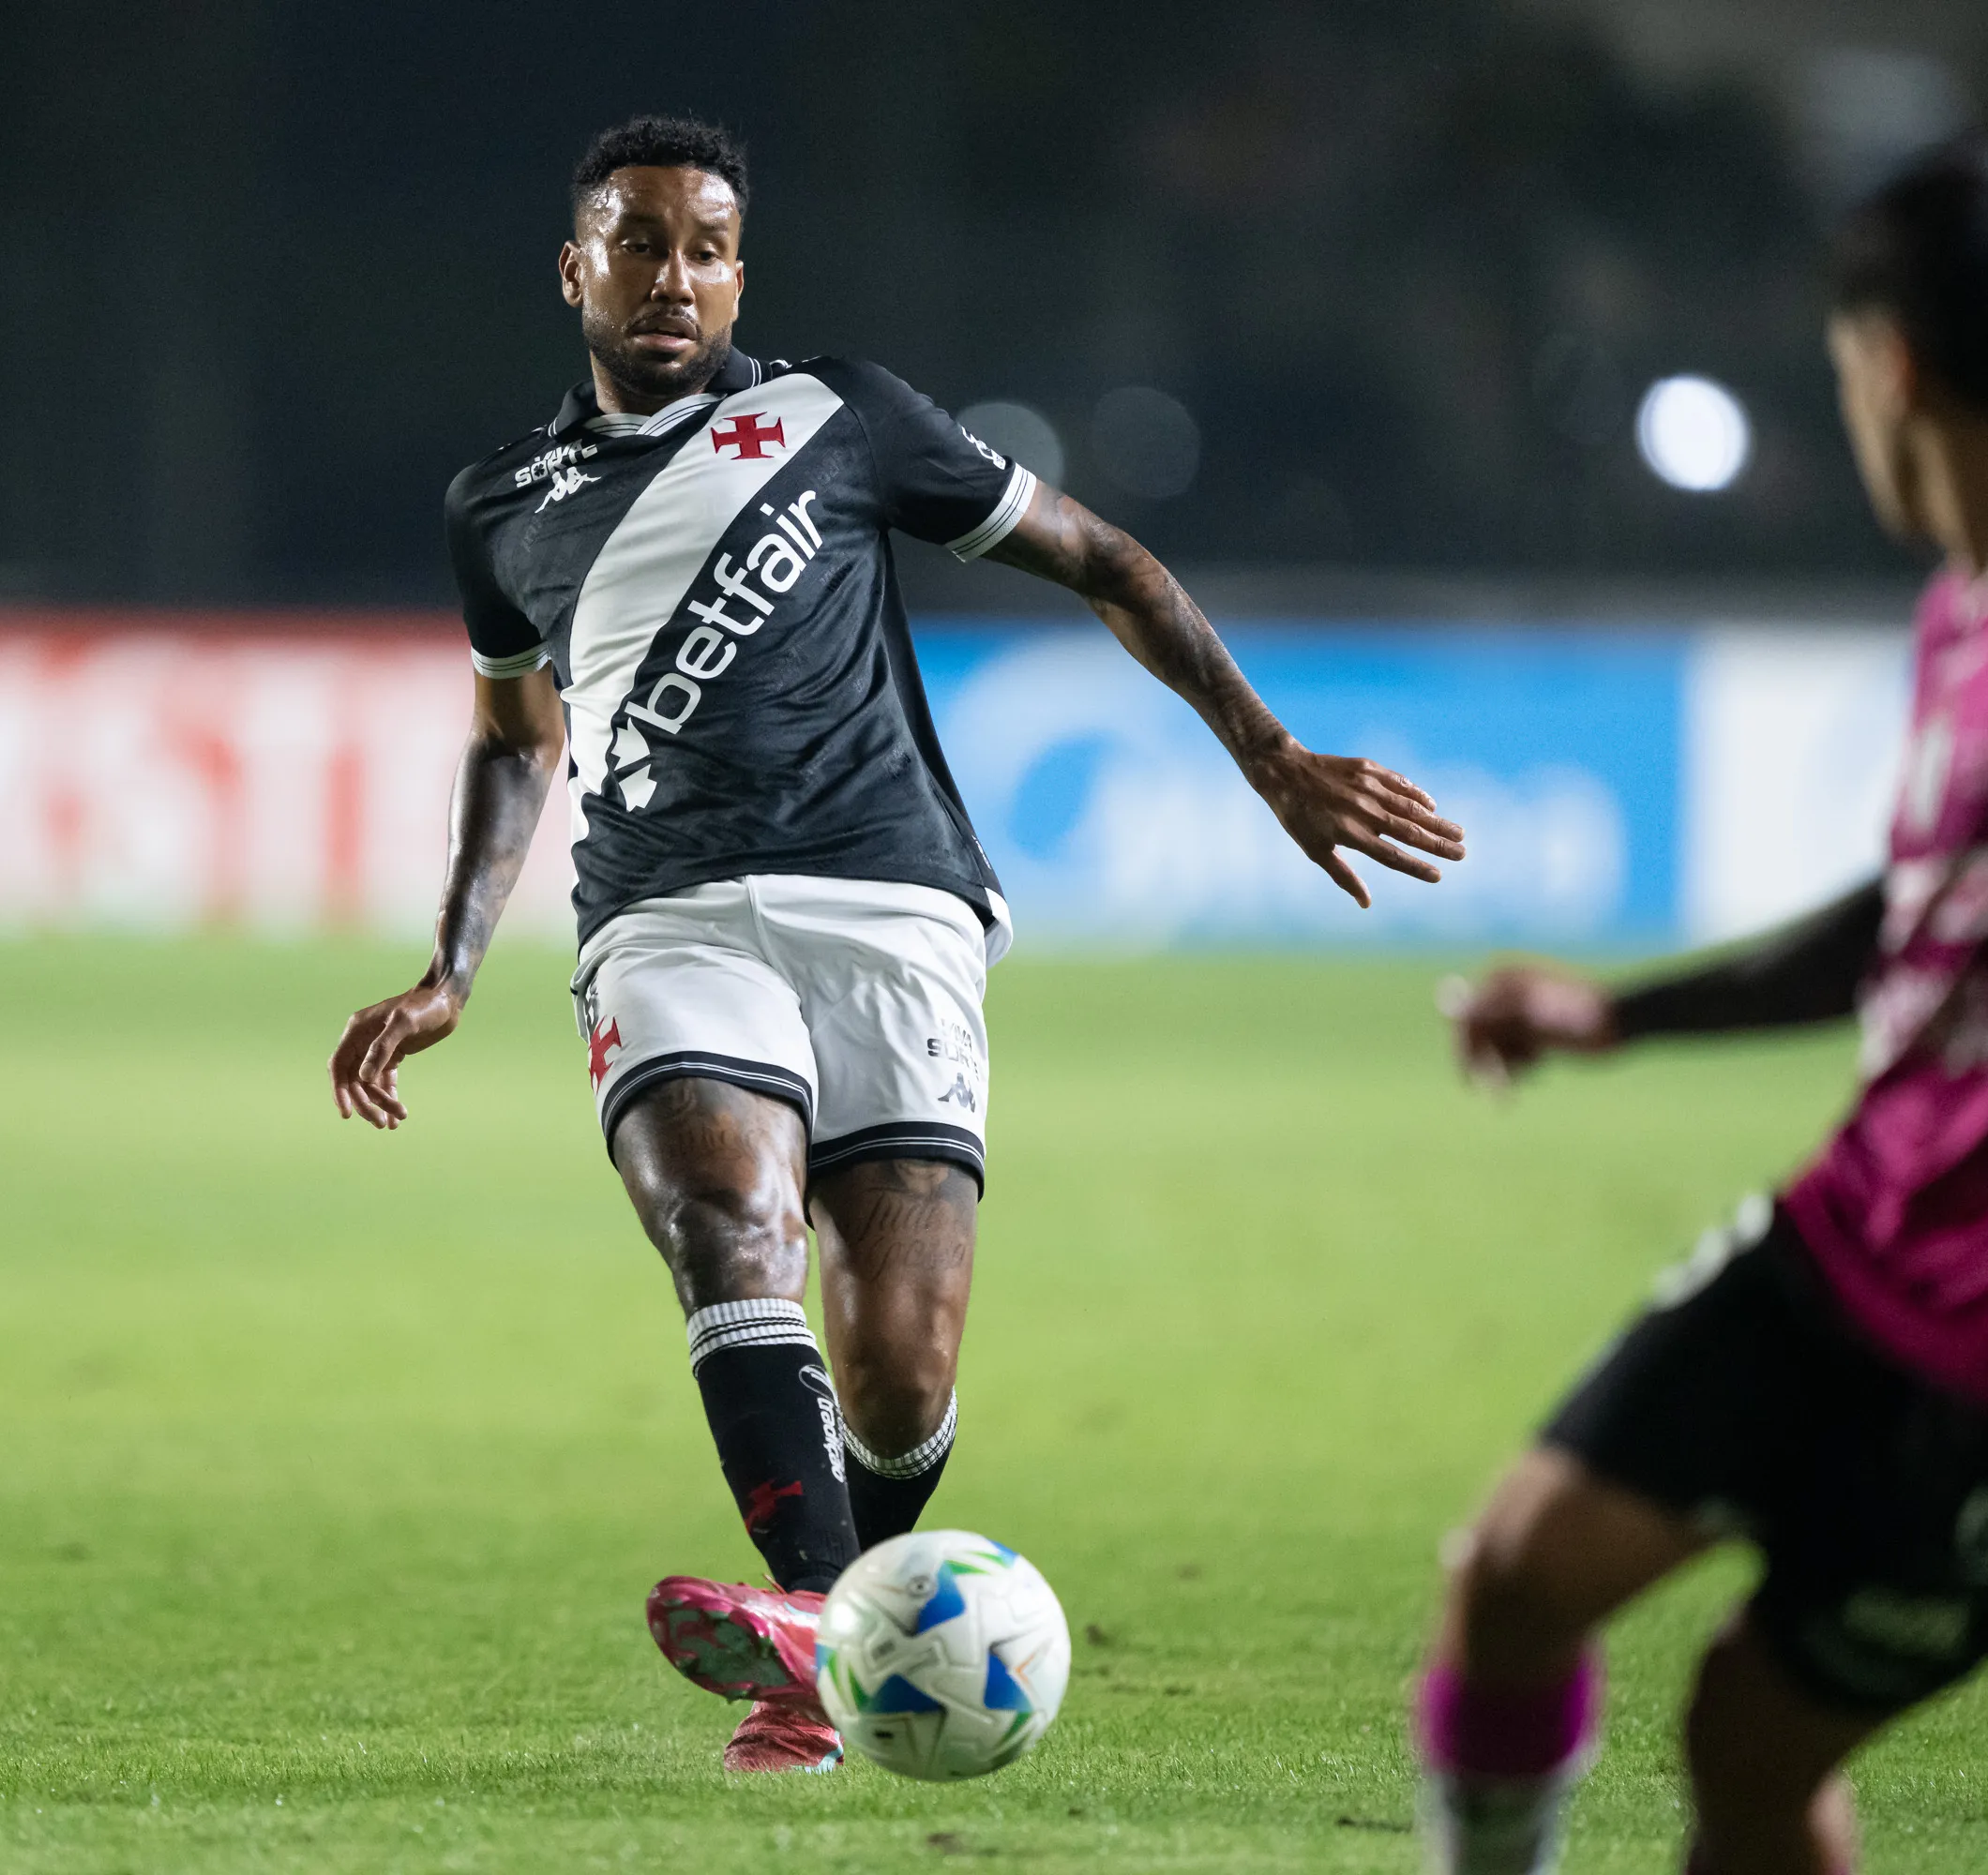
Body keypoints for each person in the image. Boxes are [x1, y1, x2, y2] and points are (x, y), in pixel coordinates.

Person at [329, 114, 1465, 1771]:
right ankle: (810, 1630)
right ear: (574, 267)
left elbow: (1107, 562)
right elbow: (517, 737)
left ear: (740, 272)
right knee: (728, 1222)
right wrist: (454, 964)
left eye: (708, 245)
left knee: (903, 1376)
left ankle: (847, 1618)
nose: (676, 277)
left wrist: (1268, 752)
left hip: (892, 902)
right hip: (667, 912)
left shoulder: (838, 420)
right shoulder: (499, 504)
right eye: (639, 242)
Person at [1418, 133, 1988, 1875]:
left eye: (1837, 373)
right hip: (1853, 1240)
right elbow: (1912, 918)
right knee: (1513, 1576)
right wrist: (1623, 1016)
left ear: (1887, 363)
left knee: (1747, 1744)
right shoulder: (1961, 613)